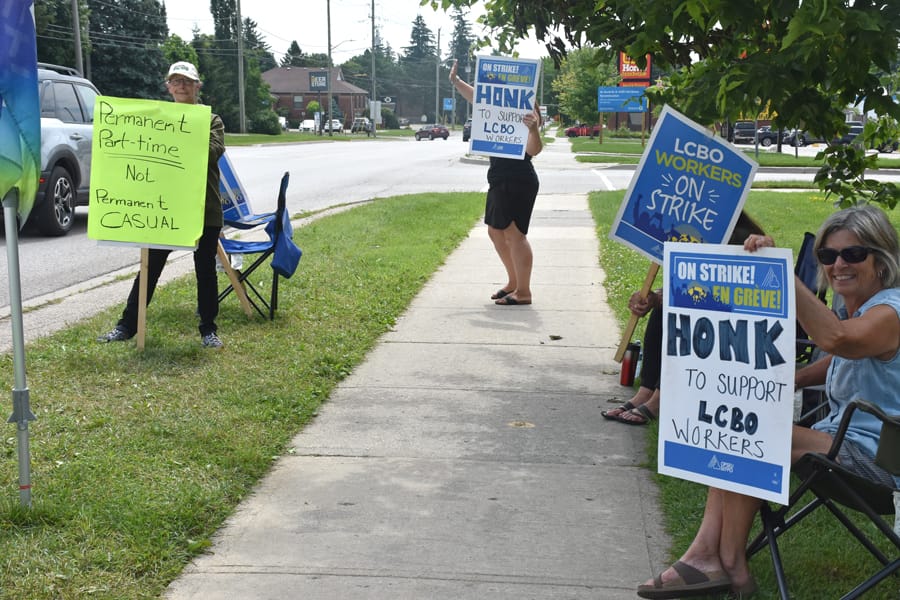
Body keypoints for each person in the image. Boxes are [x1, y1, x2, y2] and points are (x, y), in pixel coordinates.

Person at [637, 204, 900, 598]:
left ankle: (722, 561)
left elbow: (839, 341)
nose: (838, 264)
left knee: (754, 432)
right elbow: (840, 357)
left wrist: (785, 276)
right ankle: (712, 555)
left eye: (853, 254)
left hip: (883, 459)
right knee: (732, 424)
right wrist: (790, 380)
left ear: (881, 260)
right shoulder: (860, 309)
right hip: (845, 441)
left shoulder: (891, 312)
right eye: (828, 256)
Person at [97, 61, 227, 348]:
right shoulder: (155, 119)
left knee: (205, 268)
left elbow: (211, 153)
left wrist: (178, 137)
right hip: (164, 207)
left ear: (197, 86)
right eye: (175, 81)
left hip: (204, 208)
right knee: (150, 266)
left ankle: (208, 329)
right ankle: (127, 326)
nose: (181, 85)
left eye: (187, 81)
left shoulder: (212, 120)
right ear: (168, 86)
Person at [606, 211, 766, 425]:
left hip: (733, 330)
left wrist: (674, 300)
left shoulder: (741, 238)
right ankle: (646, 391)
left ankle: (660, 398)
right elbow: (688, 285)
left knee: (682, 315)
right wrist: (653, 299)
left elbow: (728, 294)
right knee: (663, 309)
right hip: (706, 313)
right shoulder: (694, 236)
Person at [449, 59, 543, 306]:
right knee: (495, 232)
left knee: (515, 235)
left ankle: (524, 292)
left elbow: (534, 150)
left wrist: (534, 130)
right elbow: (475, 97)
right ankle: (513, 283)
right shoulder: (492, 104)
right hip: (498, 179)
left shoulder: (527, 109)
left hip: (519, 179)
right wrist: (456, 81)